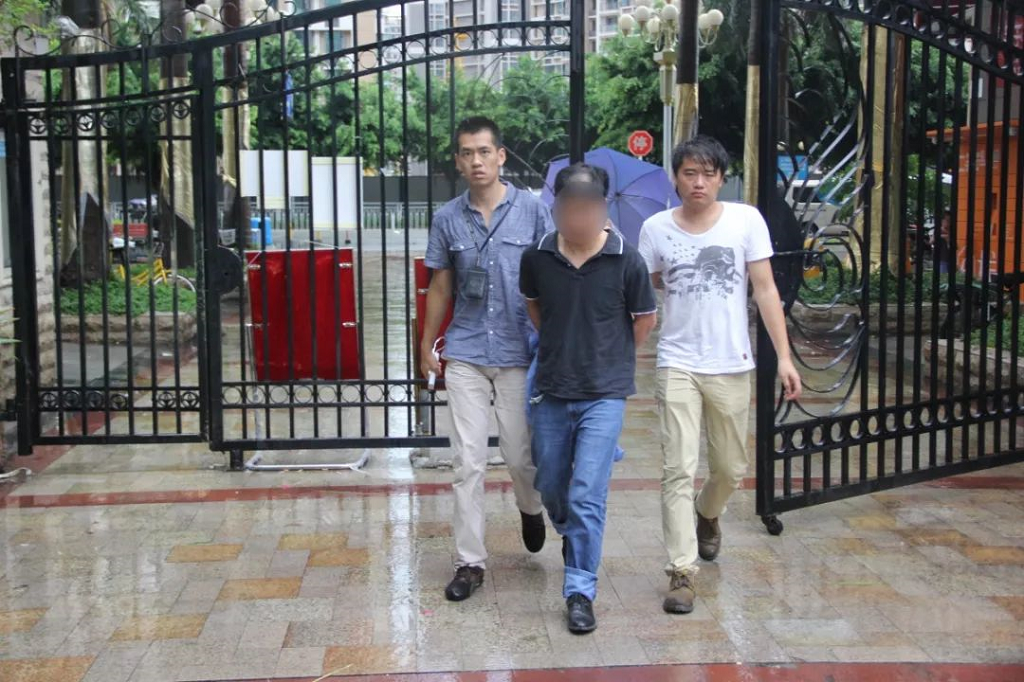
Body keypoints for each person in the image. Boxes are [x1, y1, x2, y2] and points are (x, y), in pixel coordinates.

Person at [637, 136, 801, 615]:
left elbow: (765, 290)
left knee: (731, 469)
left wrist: (785, 357)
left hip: (731, 362)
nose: (699, 182)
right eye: (689, 173)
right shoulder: (655, 229)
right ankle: (681, 572)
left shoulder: (745, 221)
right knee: (677, 469)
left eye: (708, 174)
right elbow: (646, 284)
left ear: (722, 178)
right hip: (677, 362)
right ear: (675, 178)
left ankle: (707, 513)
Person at [520, 163, 657, 634]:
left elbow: (644, 321)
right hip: (552, 389)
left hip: (604, 393)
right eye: (569, 207)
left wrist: (609, 359)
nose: (578, 216)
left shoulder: (627, 260)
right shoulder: (537, 257)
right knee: (552, 485)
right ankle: (569, 530)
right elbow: (535, 308)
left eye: (588, 207)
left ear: (602, 209)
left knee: (586, 495)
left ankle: (579, 590)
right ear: (555, 208)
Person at [421, 116, 552, 602]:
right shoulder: (447, 218)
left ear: (500, 156)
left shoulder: (533, 211)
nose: (476, 161)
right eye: (466, 153)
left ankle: (530, 507)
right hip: (467, 352)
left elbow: (552, 273)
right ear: (458, 161)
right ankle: (469, 563)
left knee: (520, 456)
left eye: (483, 151)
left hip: (519, 352)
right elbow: (440, 285)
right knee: (468, 462)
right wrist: (426, 345)